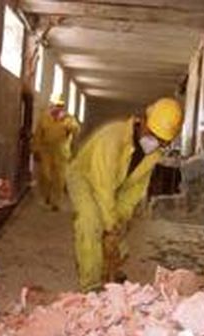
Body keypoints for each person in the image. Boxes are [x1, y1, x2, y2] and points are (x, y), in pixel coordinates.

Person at [68, 97, 183, 292]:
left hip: (117, 183)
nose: (155, 142)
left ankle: (108, 269)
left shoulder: (153, 154)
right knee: (91, 221)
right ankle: (91, 284)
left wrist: (119, 221)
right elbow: (102, 186)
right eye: (153, 135)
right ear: (143, 121)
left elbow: (135, 190)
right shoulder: (113, 138)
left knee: (118, 226)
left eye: (162, 141)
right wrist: (110, 224)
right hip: (86, 177)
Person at [32, 96, 80, 210]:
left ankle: (56, 202)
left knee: (59, 178)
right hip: (46, 150)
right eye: (56, 106)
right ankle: (46, 195)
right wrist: (35, 149)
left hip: (61, 152)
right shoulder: (44, 118)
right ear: (51, 106)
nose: (58, 108)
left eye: (60, 106)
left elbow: (76, 129)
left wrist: (68, 126)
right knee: (45, 175)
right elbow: (38, 135)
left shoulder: (68, 119)